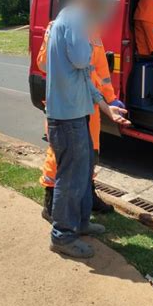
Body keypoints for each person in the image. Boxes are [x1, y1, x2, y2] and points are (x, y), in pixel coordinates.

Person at [45, 0, 129, 259]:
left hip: (76, 113)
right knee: (70, 179)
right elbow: (83, 60)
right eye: (104, 2)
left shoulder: (76, 19)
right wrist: (87, 33)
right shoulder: (75, 18)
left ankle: (79, 224)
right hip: (66, 116)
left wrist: (108, 109)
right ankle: (62, 236)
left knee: (81, 175)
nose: (107, 9)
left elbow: (86, 79)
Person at [39, 25, 124, 218]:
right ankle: (51, 199)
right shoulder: (58, 27)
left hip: (91, 104)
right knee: (61, 152)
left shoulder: (94, 32)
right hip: (66, 104)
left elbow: (101, 70)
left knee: (91, 151)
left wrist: (110, 99)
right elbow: (43, 64)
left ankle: (87, 194)